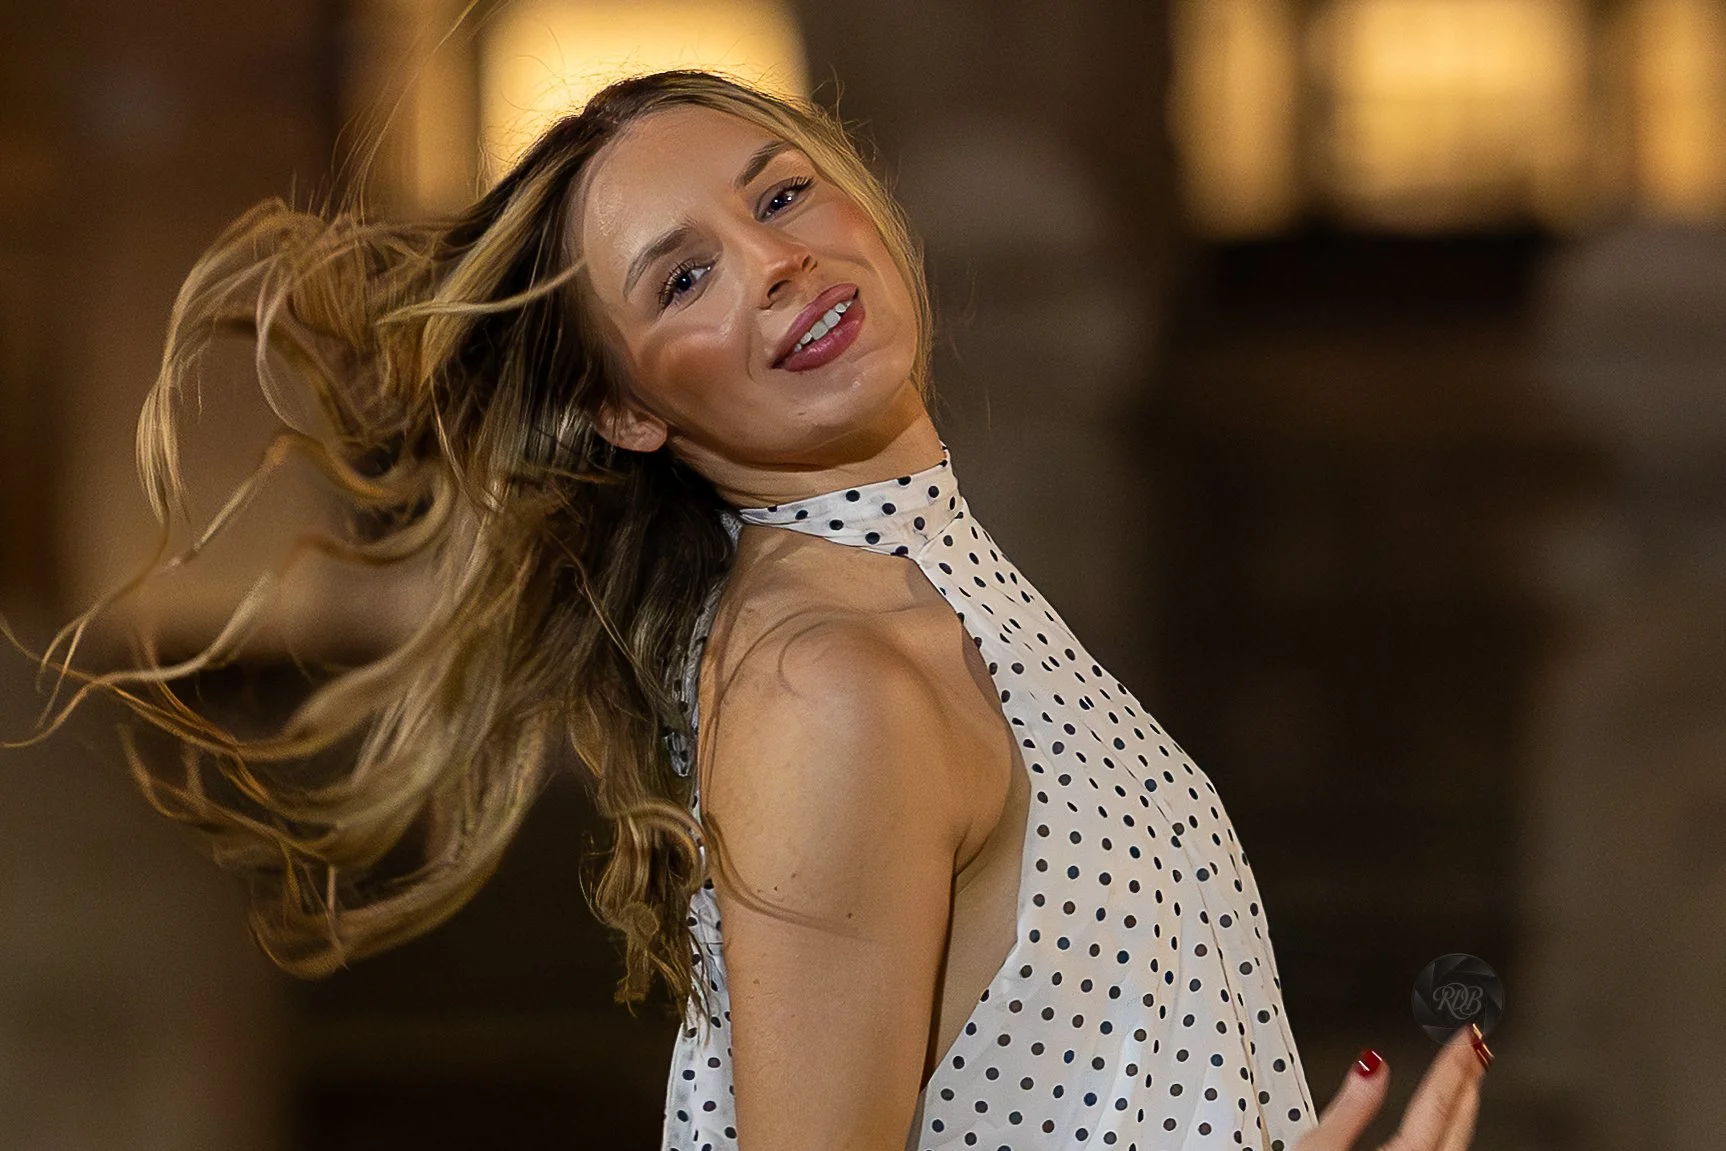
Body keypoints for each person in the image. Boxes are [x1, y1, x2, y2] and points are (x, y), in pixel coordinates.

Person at [12, 70, 1492, 1149]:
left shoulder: (927, 603)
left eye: (781, 193)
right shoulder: (824, 682)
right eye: (683, 277)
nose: (779, 259)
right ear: (629, 408)